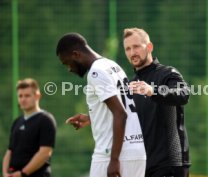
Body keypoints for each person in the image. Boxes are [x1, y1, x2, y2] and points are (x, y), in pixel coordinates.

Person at [55, 33, 146, 177]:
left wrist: (114, 160)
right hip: (136, 151)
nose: (69, 69)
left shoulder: (96, 72)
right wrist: (92, 118)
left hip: (111, 154)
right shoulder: (112, 65)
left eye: (67, 63)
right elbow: (121, 107)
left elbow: (120, 114)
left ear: (76, 54)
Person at [123, 27, 191, 177]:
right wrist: (91, 118)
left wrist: (153, 91)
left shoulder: (167, 74)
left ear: (149, 47)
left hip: (170, 164)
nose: (132, 52)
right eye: (127, 49)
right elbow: (120, 115)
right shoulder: (130, 84)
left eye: (136, 47)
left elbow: (183, 94)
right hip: (142, 165)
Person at [2, 78, 57, 177]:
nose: (23, 99)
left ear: (37, 96)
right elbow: (9, 151)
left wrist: (22, 173)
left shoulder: (46, 120)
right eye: (20, 96)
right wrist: (5, 173)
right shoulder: (17, 122)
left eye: (27, 96)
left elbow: (45, 153)